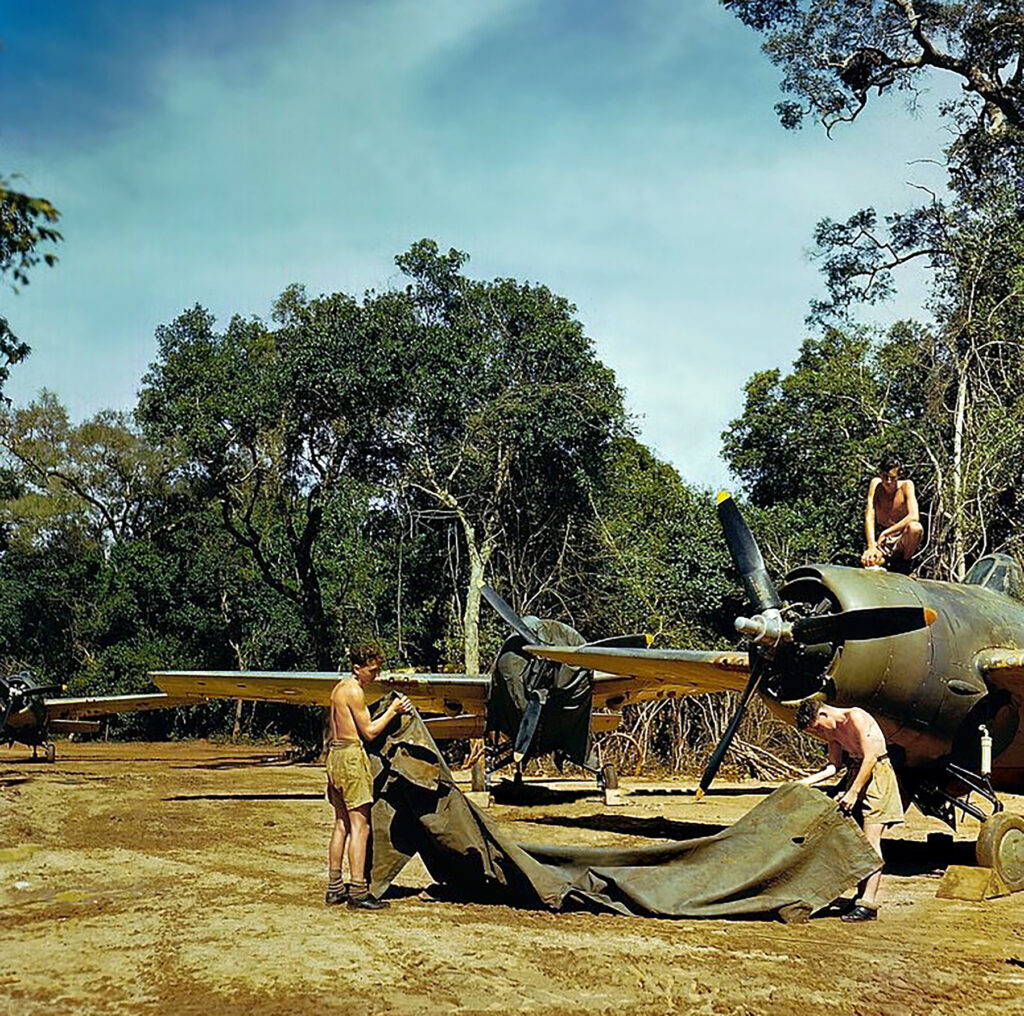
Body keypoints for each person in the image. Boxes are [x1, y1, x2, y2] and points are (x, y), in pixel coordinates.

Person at [795, 700, 904, 922]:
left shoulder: (856, 717)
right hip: (855, 774)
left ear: (824, 713)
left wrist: (853, 793)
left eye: (818, 727)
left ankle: (868, 903)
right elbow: (833, 767)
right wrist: (803, 783)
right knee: (853, 840)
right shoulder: (832, 731)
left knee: (871, 841)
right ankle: (859, 896)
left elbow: (870, 758)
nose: (819, 732)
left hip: (877, 775)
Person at [324, 644, 411, 910]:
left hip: (335, 756)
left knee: (342, 824)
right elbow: (370, 732)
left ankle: (335, 888)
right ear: (357, 668)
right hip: (350, 758)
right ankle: (359, 891)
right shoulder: (353, 691)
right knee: (361, 828)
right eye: (372, 670)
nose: (376, 675)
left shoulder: (338, 688)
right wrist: (393, 710)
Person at [861, 454, 923, 574]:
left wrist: (887, 532)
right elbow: (870, 515)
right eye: (885, 477)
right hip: (882, 543)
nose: (888, 482)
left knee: (915, 528)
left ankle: (905, 564)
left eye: (892, 478)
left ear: (898, 476)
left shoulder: (906, 486)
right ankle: (885, 561)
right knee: (868, 561)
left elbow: (914, 516)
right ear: (880, 475)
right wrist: (871, 546)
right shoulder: (876, 485)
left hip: (901, 538)